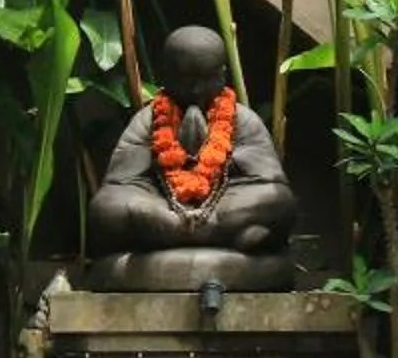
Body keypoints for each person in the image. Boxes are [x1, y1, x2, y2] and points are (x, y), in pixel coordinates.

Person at [87, 25, 301, 260]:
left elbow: (268, 181)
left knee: (279, 200)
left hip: (225, 205)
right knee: (105, 208)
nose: (196, 90)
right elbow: (121, 183)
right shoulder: (148, 120)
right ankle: (218, 233)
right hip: (160, 207)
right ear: (166, 75)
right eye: (185, 80)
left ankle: (173, 235)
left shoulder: (244, 119)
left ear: (222, 74)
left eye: (206, 79)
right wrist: (147, 209)